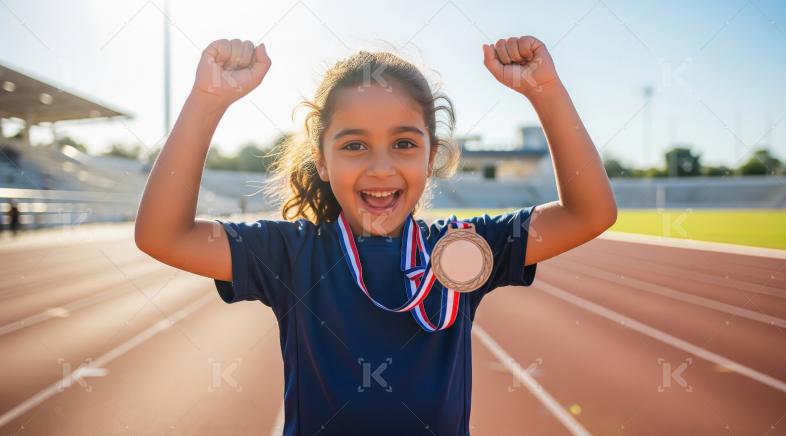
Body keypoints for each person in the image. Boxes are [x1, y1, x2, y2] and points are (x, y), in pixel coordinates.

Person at [135, 36, 616, 435]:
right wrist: (207, 101)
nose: (381, 167)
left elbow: (589, 214)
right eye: (354, 145)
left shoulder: (463, 247)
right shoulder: (290, 254)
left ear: (431, 156)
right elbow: (163, 235)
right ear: (321, 160)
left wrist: (545, 91)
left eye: (404, 143)